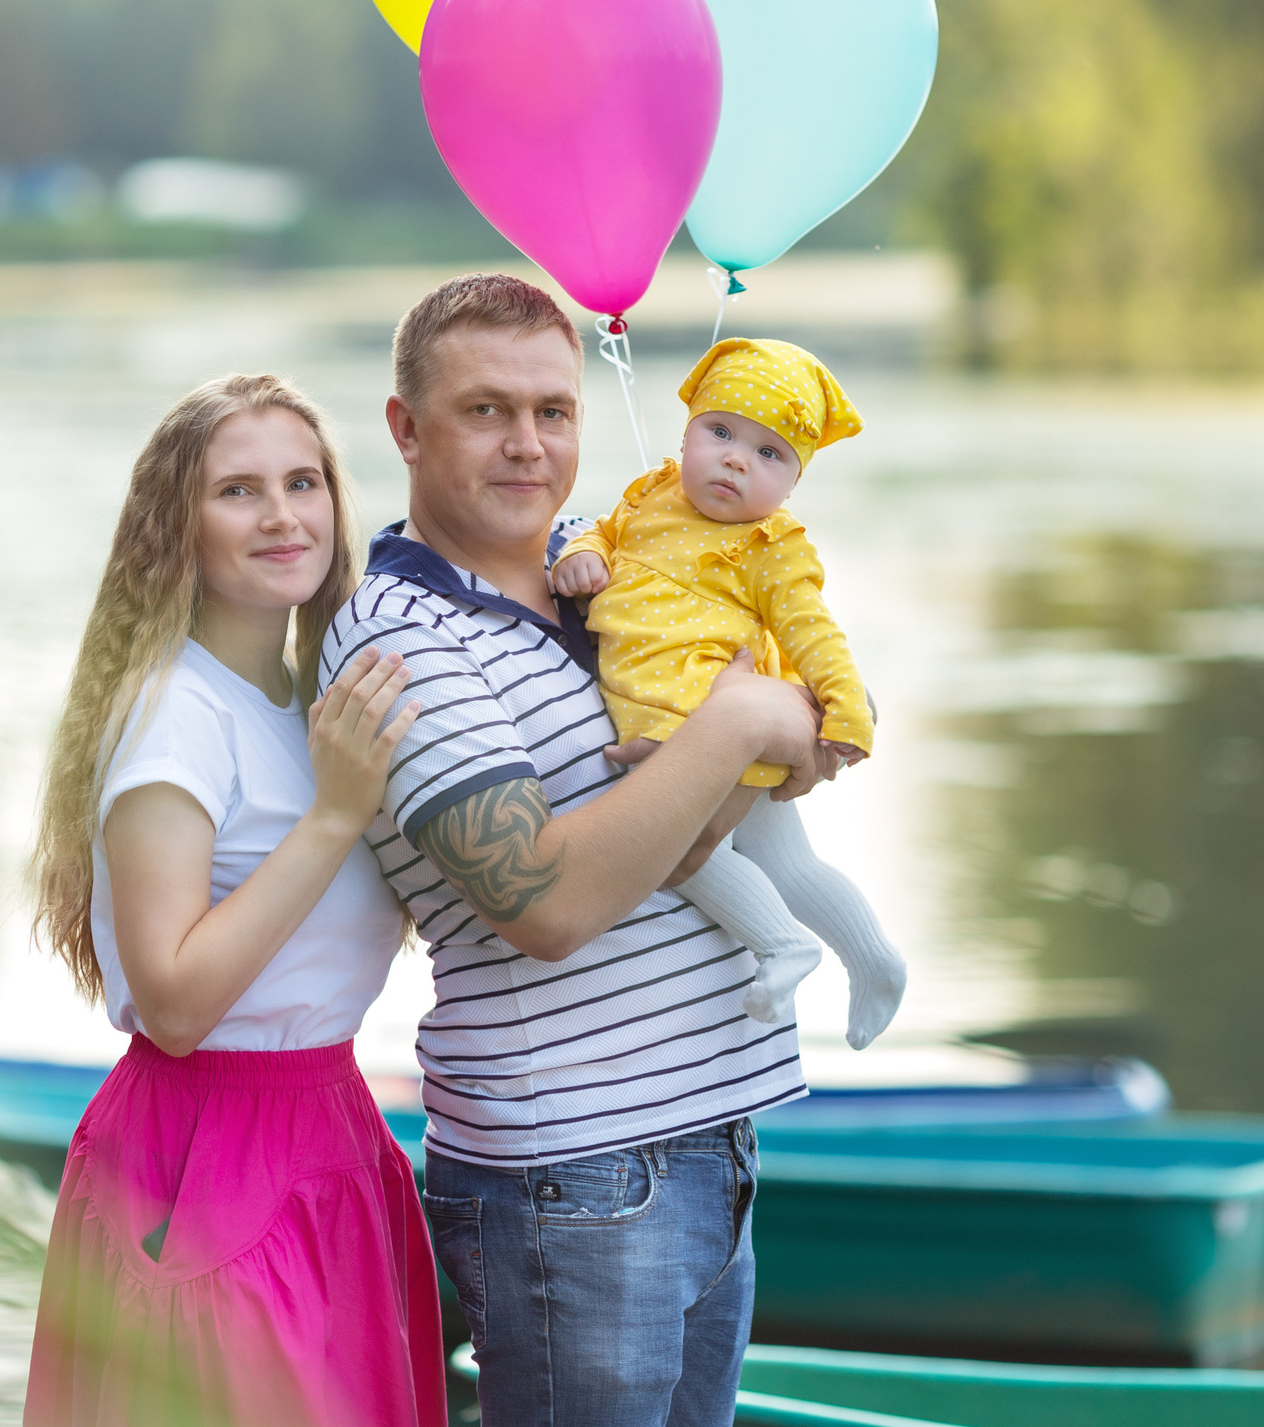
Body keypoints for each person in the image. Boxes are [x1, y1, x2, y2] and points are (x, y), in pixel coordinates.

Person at [320, 275, 833, 1427]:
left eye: (553, 412)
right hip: (576, 1175)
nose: (527, 445)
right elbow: (542, 902)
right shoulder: (401, 641)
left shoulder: (600, 567)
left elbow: (799, 727)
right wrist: (738, 726)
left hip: (710, 1140)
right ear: (405, 428)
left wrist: (767, 724)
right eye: (485, 411)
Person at [22, 373, 445, 1427]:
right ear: (177, 527)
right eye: (238, 491)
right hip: (207, 1152)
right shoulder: (176, 716)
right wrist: (334, 818)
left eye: (303, 482)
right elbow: (172, 1001)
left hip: (332, 1135)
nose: (282, 515)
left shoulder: (308, 707)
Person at [553, 337, 906, 1050]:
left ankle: (783, 946)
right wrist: (581, 554)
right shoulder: (650, 494)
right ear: (685, 434)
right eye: (720, 434)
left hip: (697, 722)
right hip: (694, 715)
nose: (737, 459)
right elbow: (602, 530)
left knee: (681, 851)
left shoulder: (771, 545)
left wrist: (846, 713)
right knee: (785, 862)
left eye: (770, 454)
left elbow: (816, 635)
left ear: (794, 482)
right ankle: (877, 961)